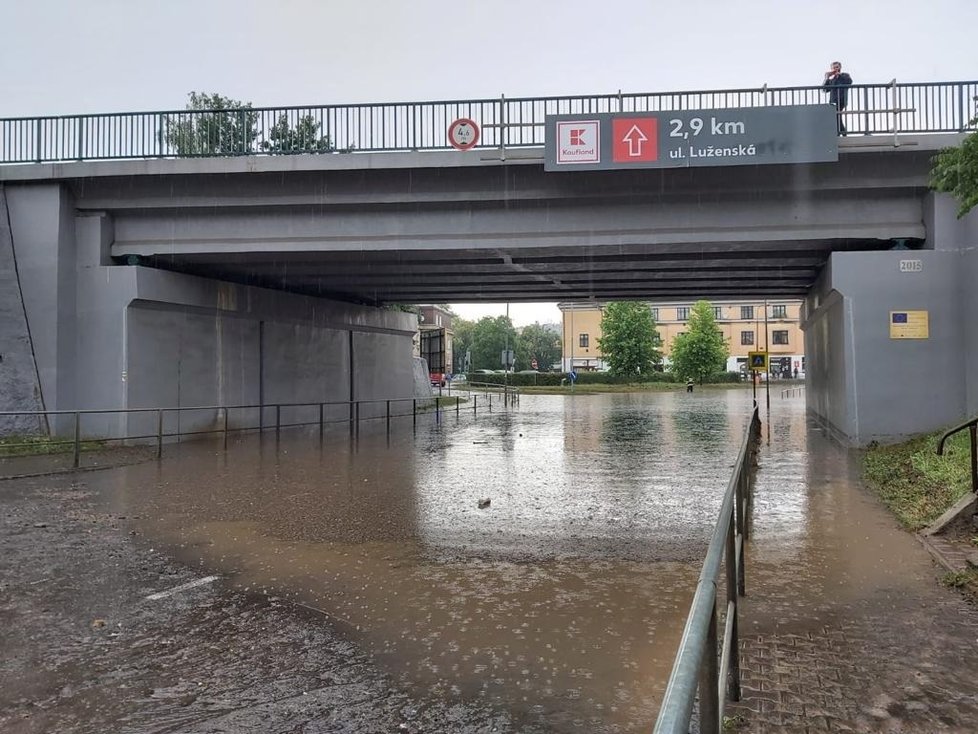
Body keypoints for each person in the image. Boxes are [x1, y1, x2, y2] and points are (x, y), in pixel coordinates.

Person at [822, 61, 853, 136]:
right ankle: (842, 132)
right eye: (834, 67)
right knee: (836, 116)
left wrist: (840, 75)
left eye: (837, 67)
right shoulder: (832, 80)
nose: (836, 69)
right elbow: (824, 90)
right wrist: (826, 78)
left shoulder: (845, 75)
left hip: (841, 100)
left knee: (836, 115)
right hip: (833, 101)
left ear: (840, 67)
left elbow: (849, 82)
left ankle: (840, 133)